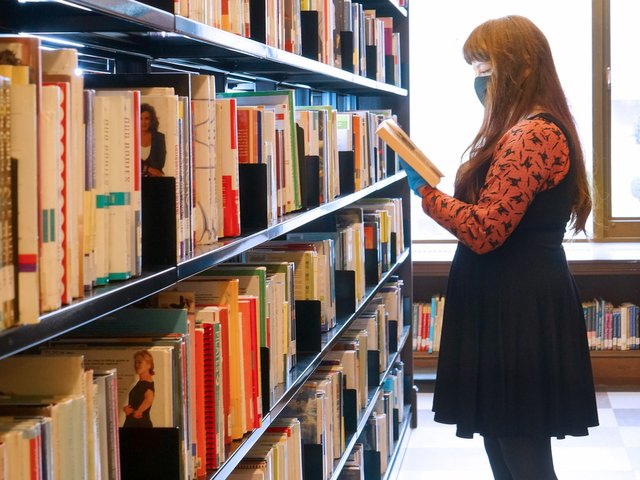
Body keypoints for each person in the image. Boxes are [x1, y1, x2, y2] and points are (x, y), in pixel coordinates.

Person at [402, 16, 599, 479]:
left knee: (519, 443)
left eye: (484, 64)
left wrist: (427, 194)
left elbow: (486, 230)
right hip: (509, 299)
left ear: (522, 64)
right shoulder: (530, 128)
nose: (479, 77)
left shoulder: (532, 134)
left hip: (516, 307)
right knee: (502, 435)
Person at [123, 349, 155, 428]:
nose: (137, 365)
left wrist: (137, 411)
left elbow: (149, 399)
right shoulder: (141, 383)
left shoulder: (147, 384)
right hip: (132, 424)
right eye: (136, 362)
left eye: (140, 362)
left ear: (149, 365)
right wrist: (127, 409)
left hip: (140, 425)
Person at [141, 103, 166, 177]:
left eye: (146, 119)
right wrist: (148, 168)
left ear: (152, 120)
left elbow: (159, 165)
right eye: (140, 118)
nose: (143, 122)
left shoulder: (159, 138)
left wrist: (141, 166)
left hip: (154, 181)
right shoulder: (130, 137)